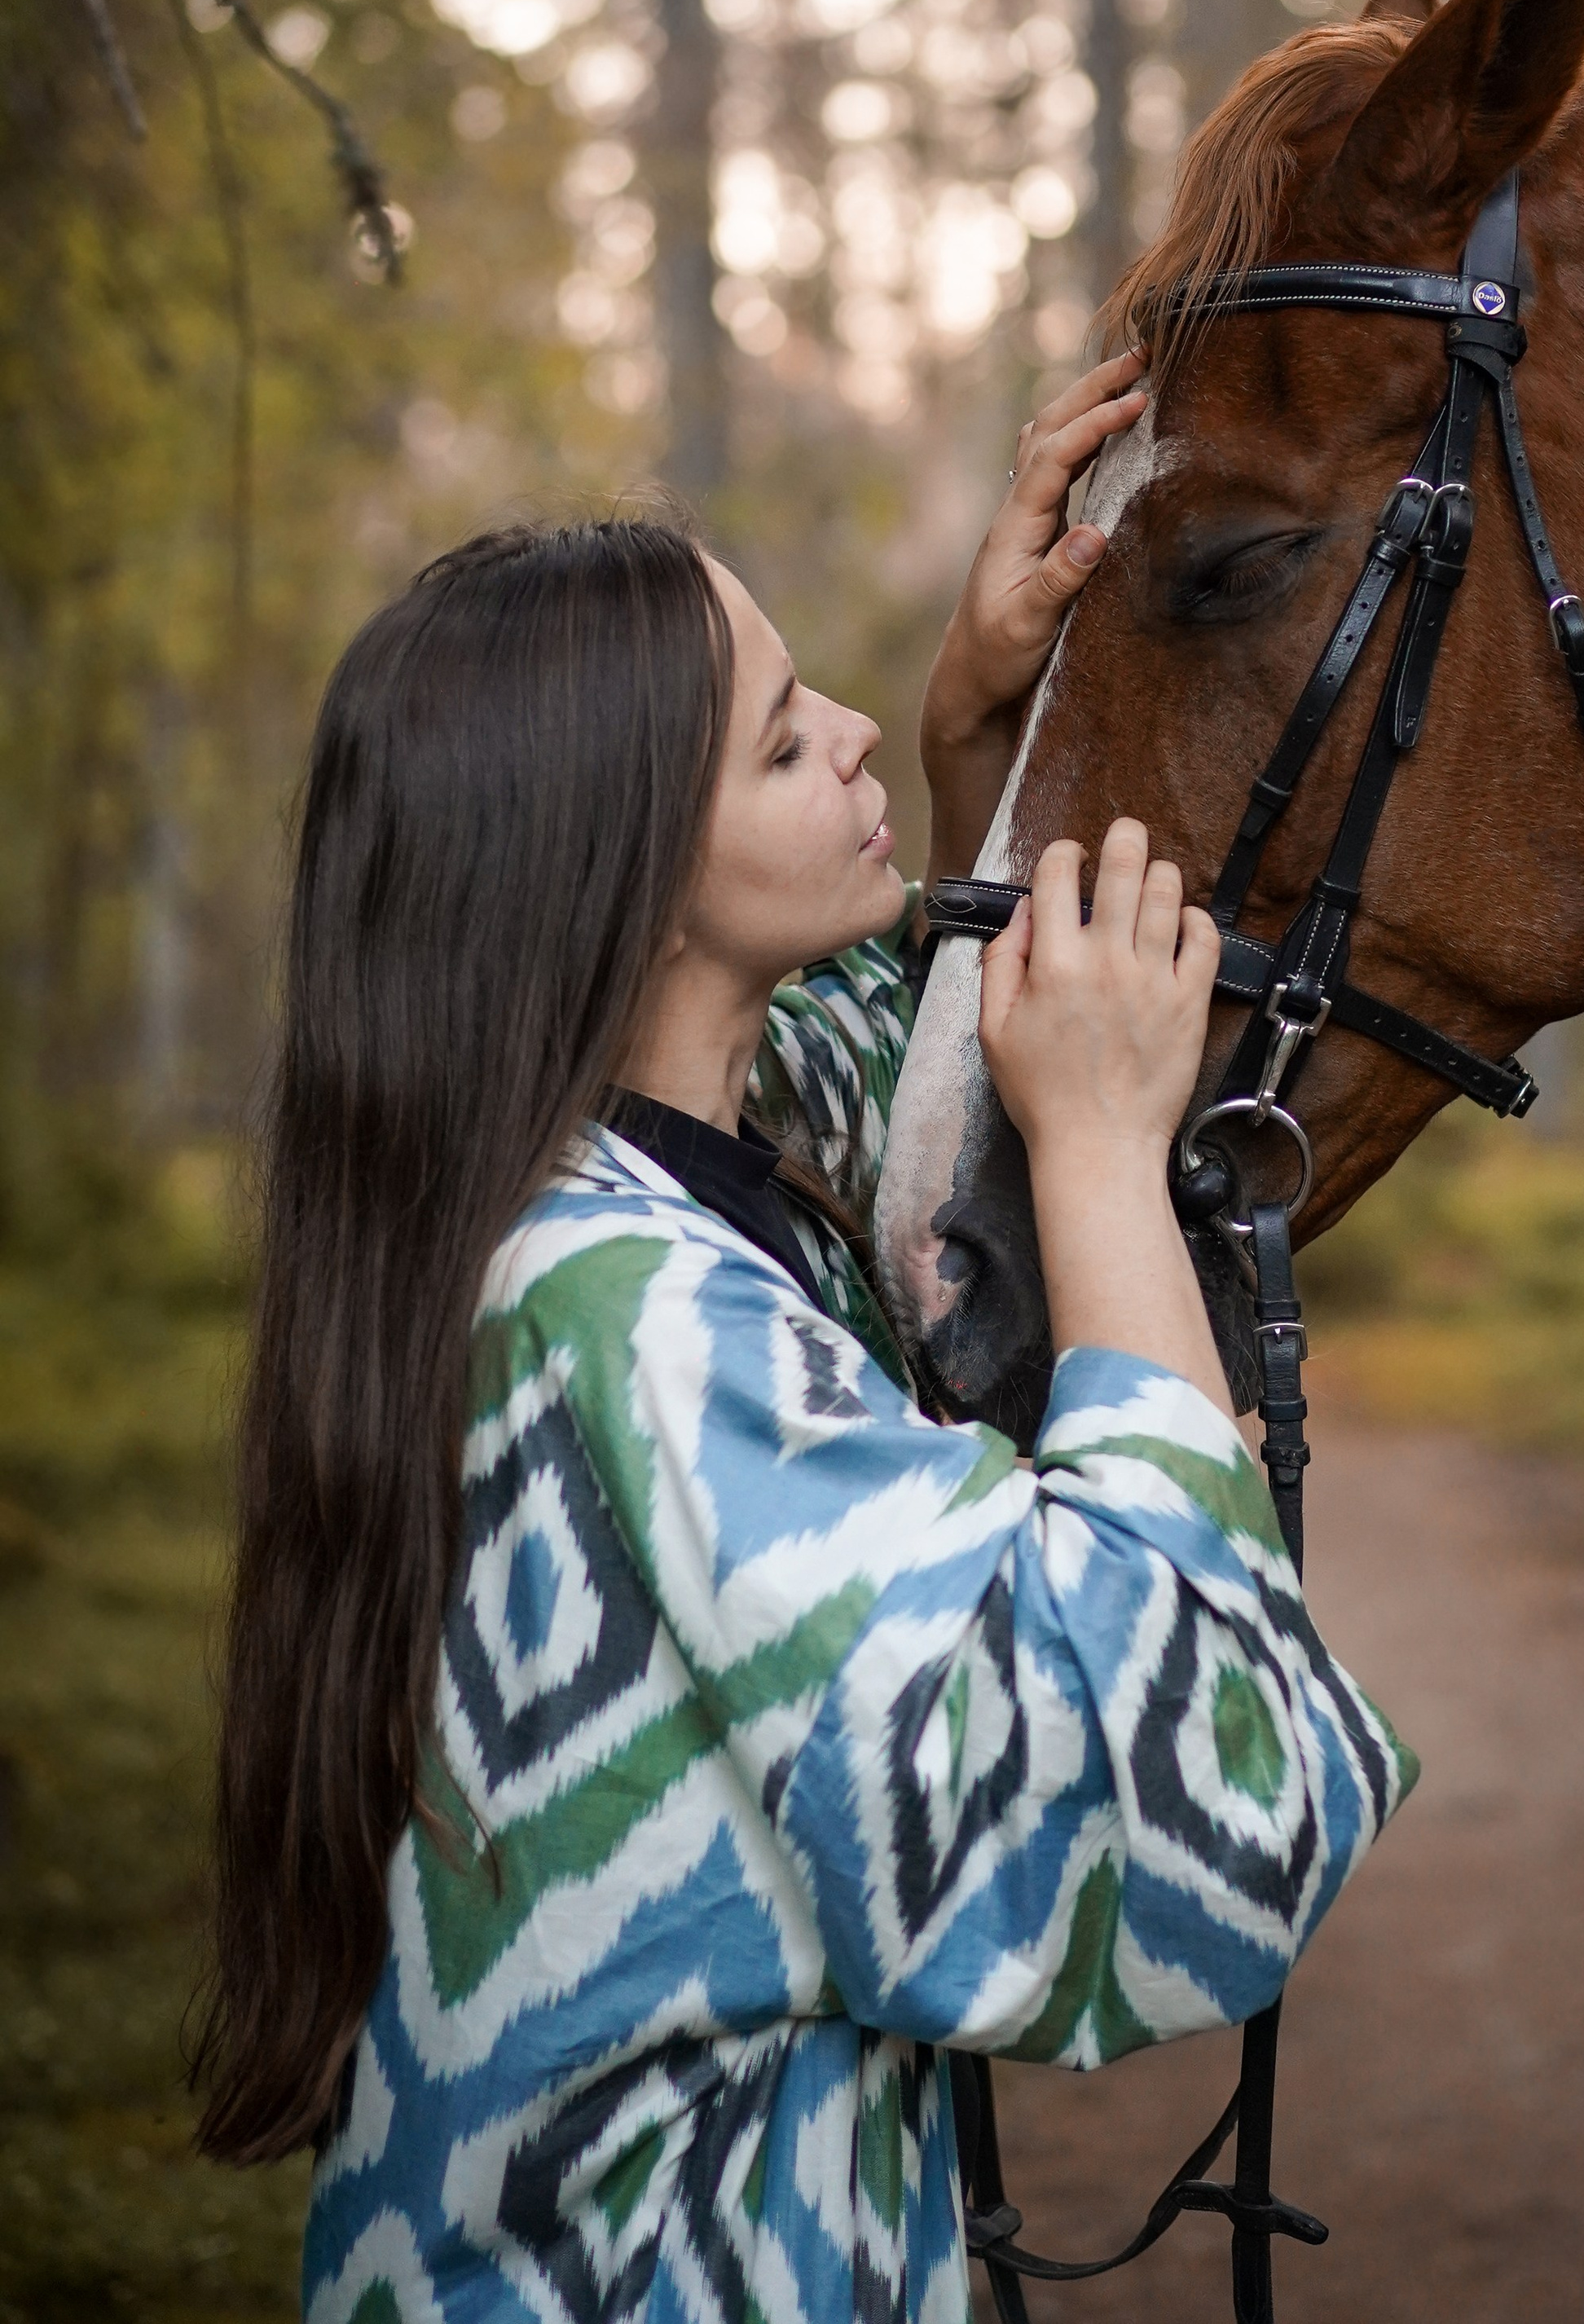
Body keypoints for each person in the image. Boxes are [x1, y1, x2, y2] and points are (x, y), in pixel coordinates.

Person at [191, 355, 1414, 2322]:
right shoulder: (633, 1312)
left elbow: (900, 1099)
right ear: (612, 879)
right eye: (780, 747)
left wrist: (964, 744)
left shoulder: (652, 1175)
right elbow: (1159, 1835)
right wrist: (1101, 1150)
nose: (845, 724)